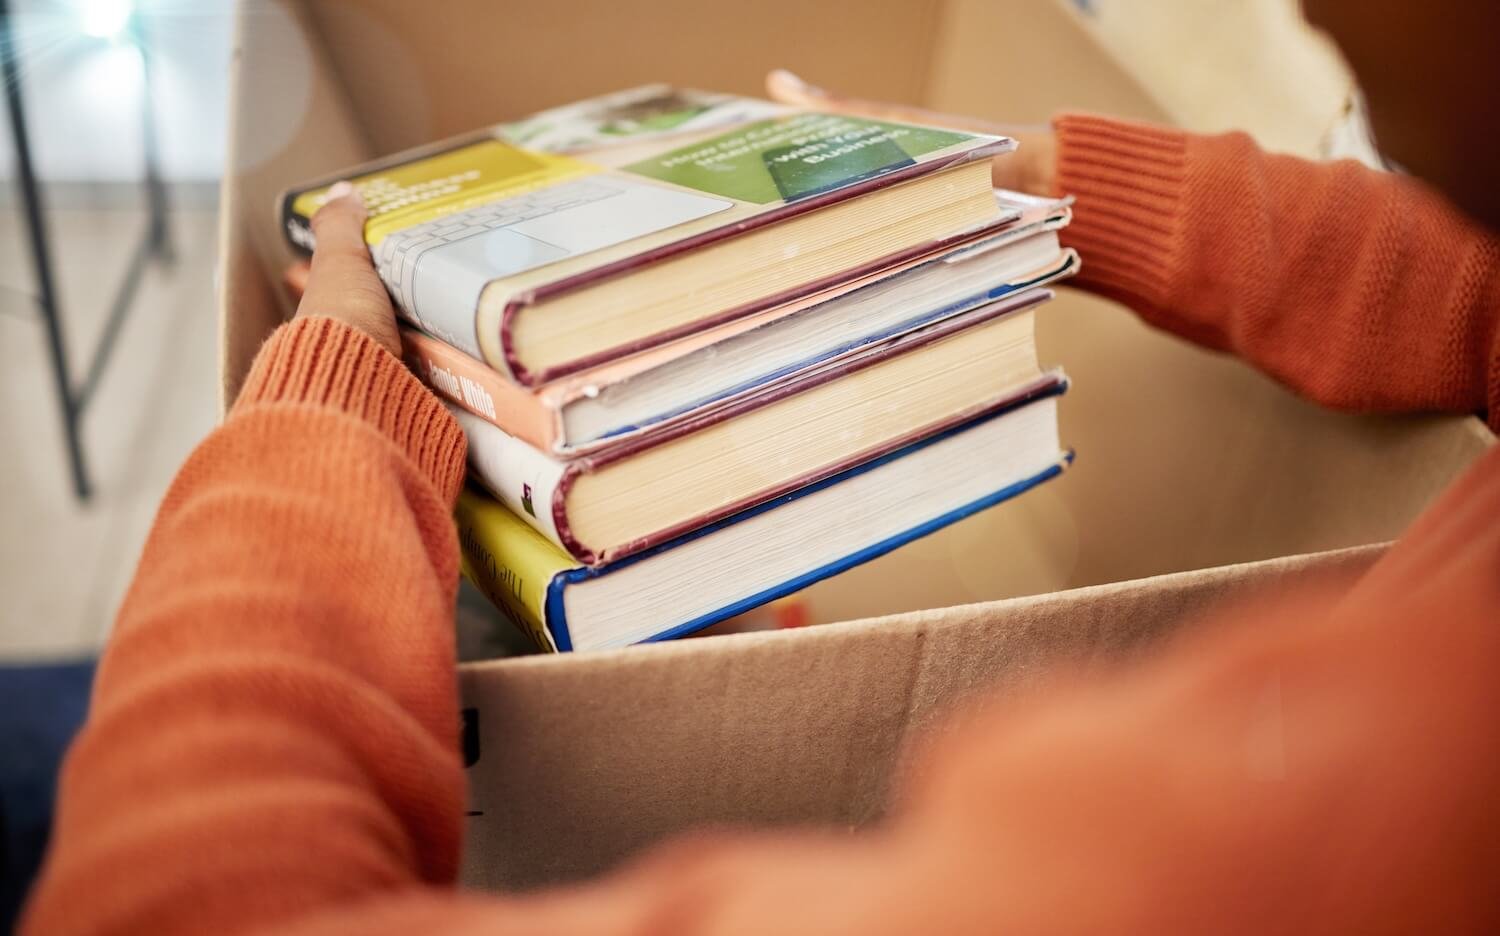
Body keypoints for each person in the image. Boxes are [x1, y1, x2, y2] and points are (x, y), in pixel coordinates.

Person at [22, 2, 1500, 932]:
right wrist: (1050, 184)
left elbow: (177, 901)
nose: (1313, 16)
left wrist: (339, 404)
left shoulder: (1339, 827)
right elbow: (1469, 291)